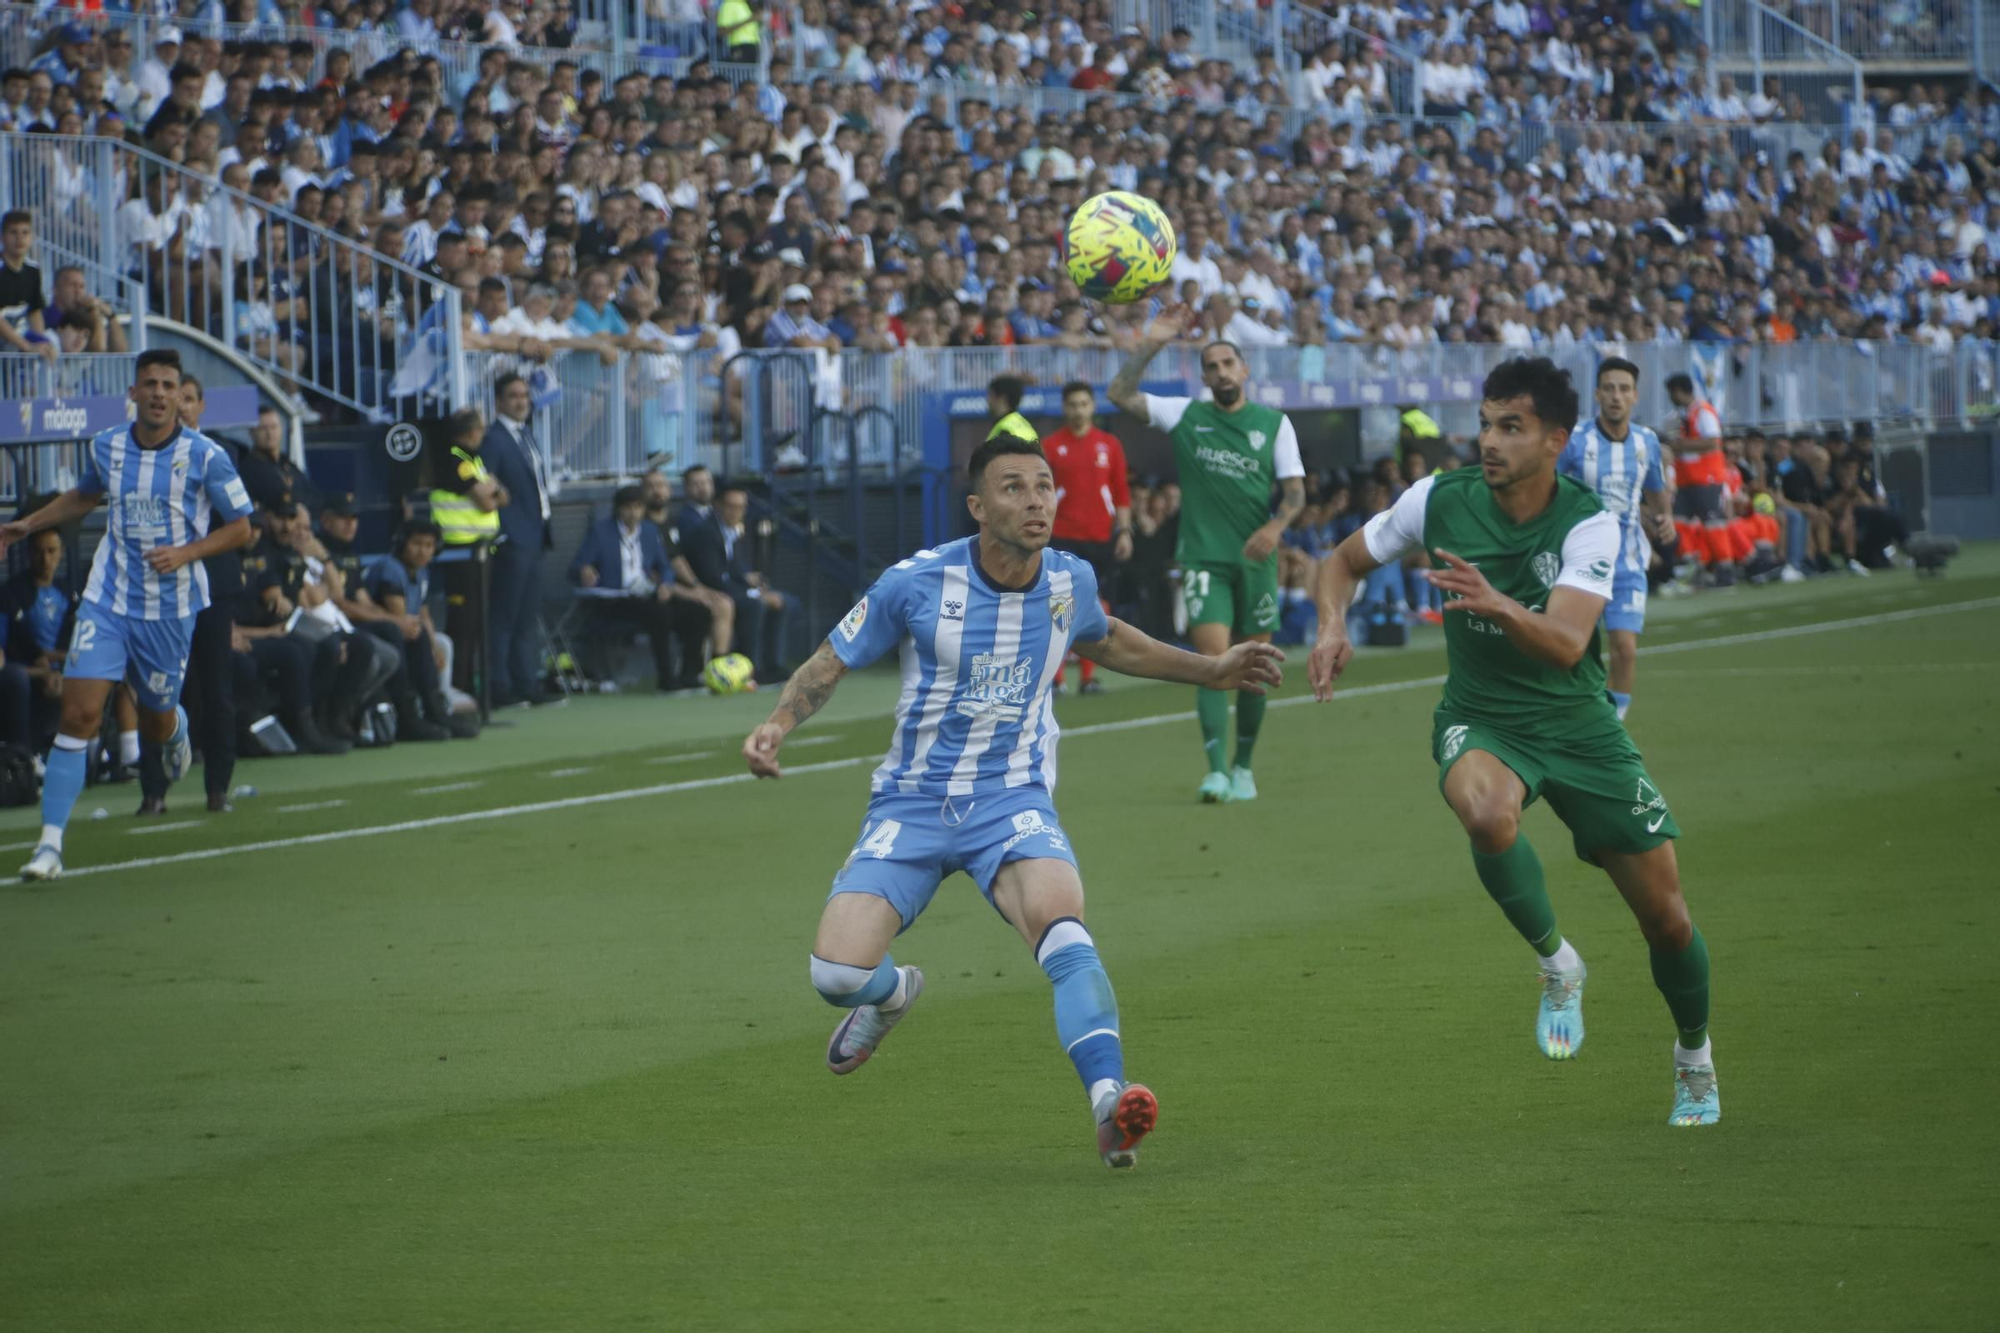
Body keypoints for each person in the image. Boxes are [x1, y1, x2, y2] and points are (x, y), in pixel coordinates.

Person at [739, 431, 1284, 1167]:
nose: (1035, 501)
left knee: (1064, 926)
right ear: (976, 505)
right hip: (913, 803)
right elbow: (834, 657)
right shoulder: (917, 581)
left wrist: (1210, 669)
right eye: (1014, 487)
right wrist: (776, 723)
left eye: (1043, 486)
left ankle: (1108, 1102)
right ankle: (893, 995)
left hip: (1011, 800)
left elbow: (1112, 640)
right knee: (835, 975)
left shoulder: (1069, 581)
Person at [1308, 357, 1719, 1127]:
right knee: (1487, 812)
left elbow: (1567, 642)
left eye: (1511, 427)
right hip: (1484, 716)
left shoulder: (1590, 520)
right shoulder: (1437, 499)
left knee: (1667, 920)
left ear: (1555, 440)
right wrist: (1333, 625)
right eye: (1487, 423)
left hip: (1580, 725)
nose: (1489, 441)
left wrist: (1496, 604)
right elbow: (1342, 562)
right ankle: (1557, 963)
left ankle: (1693, 1055)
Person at [0, 350, 256, 882]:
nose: (160, 393)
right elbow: (85, 495)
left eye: (168, 384)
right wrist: (28, 524)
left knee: (158, 721)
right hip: (108, 600)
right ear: (134, 393)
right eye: (150, 384)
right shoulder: (109, 445)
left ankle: (177, 725)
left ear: (178, 394)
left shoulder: (207, 456)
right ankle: (49, 846)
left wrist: (185, 553)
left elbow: (242, 528)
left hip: (170, 609)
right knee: (79, 716)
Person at [1109, 303, 1306, 803]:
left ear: (1244, 370)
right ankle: (1216, 770)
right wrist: (1153, 342)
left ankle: (1244, 766)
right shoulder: (1187, 415)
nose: (1220, 372)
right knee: (1213, 660)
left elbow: (1295, 493)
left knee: (1255, 667)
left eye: (1227, 364)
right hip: (1202, 558)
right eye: (1211, 366)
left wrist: (1276, 526)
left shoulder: (1274, 424)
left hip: (1255, 560)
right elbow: (1119, 393)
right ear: (1204, 376)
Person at [1556, 358, 1672, 722]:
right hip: (1579, 563)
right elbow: (1549, 492)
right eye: (1609, 388)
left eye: (1623, 389)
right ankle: (1564, 719)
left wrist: (1664, 516)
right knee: (1570, 651)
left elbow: (1656, 491)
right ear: (1597, 394)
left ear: (1635, 396)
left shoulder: (1647, 442)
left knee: (1625, 649)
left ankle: (1612, 728)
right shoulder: (1575, 442)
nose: (1616, 396)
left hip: (1628, 562)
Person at [571, 484, 713, 691]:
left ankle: (690, 674)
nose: (633, 512)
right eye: (628, 507)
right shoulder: (601, 532)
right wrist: (584, 571)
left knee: (699, 612)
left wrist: (665, 584)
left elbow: (664, 566)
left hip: (647, 594)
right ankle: (666, 680)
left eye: (638, 507)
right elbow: (576, 567)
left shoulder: (649, 531)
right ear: (618, 509)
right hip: (616, 598)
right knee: (659, 613)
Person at [1043, 381, 1132, 694]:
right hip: (1062, 537)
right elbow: (1042, 495)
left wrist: (1124, 532)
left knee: (1097, 604)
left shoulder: (1109, 445)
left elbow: (1121, 492)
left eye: (1084, 403)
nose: (1079, 410)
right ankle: (1056, 679)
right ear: (1064, 408)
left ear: (1092, 407)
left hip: (1100, 536)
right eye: (1073, 404)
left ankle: (1089, 676)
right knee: (1059, 605)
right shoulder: (1051, 447)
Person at [482, 372, 558, 706]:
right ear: (498, 400)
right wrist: (505, 528)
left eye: (525, 395)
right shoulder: (493, 438)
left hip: (536, 532)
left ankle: (526, 681)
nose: (521, 401)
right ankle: (499, 686)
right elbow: (488, 482)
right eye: (513, 395)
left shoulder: (526, 435)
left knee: (526, 616)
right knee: (505, 615)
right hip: (513, 536)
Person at [684, 484, 792, 683]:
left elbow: (734, 570)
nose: (736, 512)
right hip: (714, 593)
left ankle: (773, 665)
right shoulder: (706, 533)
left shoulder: (734, 531)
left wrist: (753, 585)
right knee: (755, 605)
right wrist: (752, 593)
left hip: (733, 589)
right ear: (718, 505)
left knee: (783, 602)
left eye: (741, 507)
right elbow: (714, 577)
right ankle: (751, 668)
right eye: (731, 506)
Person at [641, 466, 735, 654]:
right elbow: (649, 572)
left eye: (660, 485)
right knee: (705, 609)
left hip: (679, 586)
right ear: (642, 492)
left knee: (724, 603)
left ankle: (718, 667)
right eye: (650, 486)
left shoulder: (671, 524)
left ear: (669, 490)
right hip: (655, 593)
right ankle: (699, 670)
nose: (657, 491)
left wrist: (697, 586)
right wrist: (692, 592)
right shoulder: (642, 527)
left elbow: (677, 559)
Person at [0, 529, 72, 751]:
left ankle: (98, 749)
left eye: (51, 551)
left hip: (63, 670)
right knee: (18, 679)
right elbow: (8, 652)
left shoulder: (69, 593)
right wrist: (44, 671)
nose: (45, 559)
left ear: (61, 553)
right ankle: (25, 757)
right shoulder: (11, 592)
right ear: (29, 554)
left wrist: (60, 667)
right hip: (27, 670)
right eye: (39, 551)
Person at [1664, 372, 1733, 584]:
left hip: (1707, 479)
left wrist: (1681, 445)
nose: (1670, 398)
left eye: (1672, 393)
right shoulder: (1685, 415)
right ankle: (1692, 566)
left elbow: (1713, 442)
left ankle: (1725, 572)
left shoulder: (1703, 412)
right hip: (1688, 481)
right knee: (1678, 523)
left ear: (1679, 392)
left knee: (1713, 524)